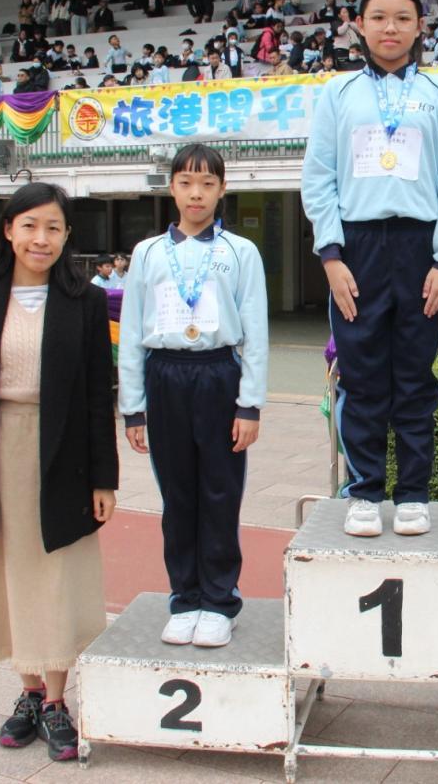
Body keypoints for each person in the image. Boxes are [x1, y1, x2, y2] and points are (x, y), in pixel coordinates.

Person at [0, 183, 117, 763]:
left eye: (54, 228)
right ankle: (29, 693)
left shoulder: (84, 301)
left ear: (67, 236)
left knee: (56, 572)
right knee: (10, 570)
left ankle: (58, 701)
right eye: (31, 225)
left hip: (62, 453)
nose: (42, 238)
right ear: (9, 230)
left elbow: (98, 394)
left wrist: (104, 479)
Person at [301, 0, 438, 539]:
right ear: (360, 25)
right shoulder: (339, 93)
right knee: (363, 375)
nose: (390, 28)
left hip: (421, 248)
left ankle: (414, 493)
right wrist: (331, 256)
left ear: (420, 25)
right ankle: (365, 492)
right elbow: (319, 179)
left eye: (402, 17)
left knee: (416, 377)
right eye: (378, 17)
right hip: (357, 250)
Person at [118, 144, 268, 647]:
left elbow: (256, 333)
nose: (196, 193)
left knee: (220, 493)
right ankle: (185, 598)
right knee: (177, 496)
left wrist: (249, 403)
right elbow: (132, 331)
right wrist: (133, 408)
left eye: (207, 184)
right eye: (186, 182)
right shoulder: (147, 253)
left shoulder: (240, 252)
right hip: (165, 376)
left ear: (223, 189)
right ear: (171, 188)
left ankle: (220, 601)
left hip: (218, 373)